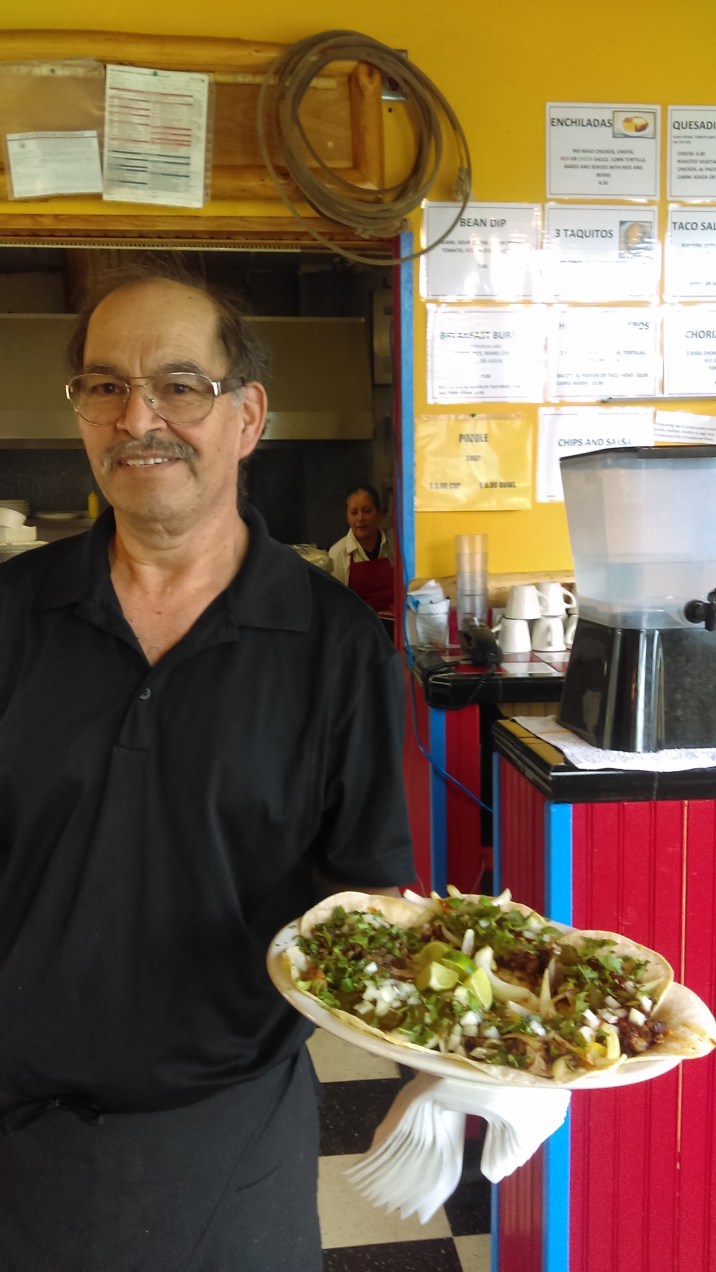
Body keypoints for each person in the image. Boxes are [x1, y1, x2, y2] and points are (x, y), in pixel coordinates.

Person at [0, 262, 415, 1272]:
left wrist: (456, 1042)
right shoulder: (10, 615)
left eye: (179, 385)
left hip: (230, 1132)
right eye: (105, 385)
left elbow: (364, 894)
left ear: (247, 416)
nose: (137, 417)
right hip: (13, 1129)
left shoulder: (334, 643)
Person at [328, 483, 394, 617]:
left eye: (367, 511)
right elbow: (335, 605)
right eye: (354, 513)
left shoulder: (394, 545)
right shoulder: (337, 553)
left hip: (394, 625)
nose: (360, 518)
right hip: (356, 626)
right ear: (347, 517)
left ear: (379, 514)